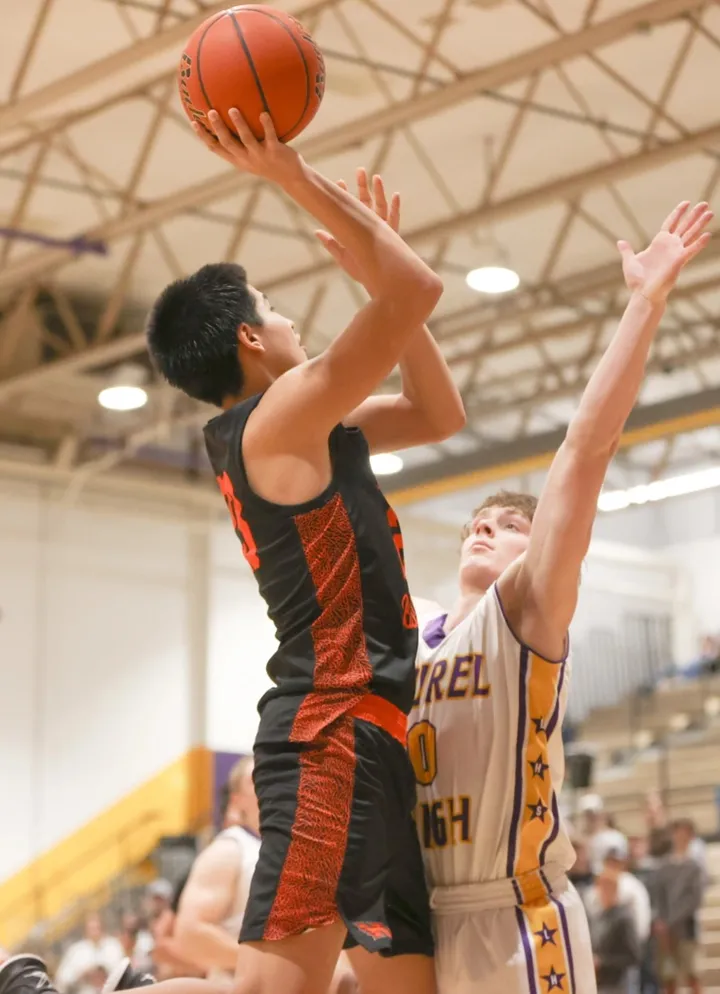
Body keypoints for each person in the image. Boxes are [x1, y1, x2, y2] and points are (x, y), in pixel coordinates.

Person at [0, 110, 464, 994]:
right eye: (276, 311)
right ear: (251, 338)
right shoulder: (277, 419)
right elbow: (414, 289)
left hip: (371, 734)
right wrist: (294, 176)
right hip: (328, 734)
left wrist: (384, 273)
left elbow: (439, 413)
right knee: (263, 992)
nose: (292, 323)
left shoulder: (307, 426)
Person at [408, 199, 713, 994]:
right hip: (425, 916)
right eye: (479, 522)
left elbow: (586, 447)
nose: (487, 528)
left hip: (518, 917)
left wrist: (643, 304)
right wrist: (389, 292)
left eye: (511, 525)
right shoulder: (415, 631)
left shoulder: (525, 611)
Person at [652, 819, 706, 994]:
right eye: (677, 832)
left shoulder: (695, 867)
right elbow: (659, 896)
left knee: (692, 976)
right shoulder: (664, 866)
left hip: (687, 929)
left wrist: (670, 921)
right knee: (669, 978)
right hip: (666, 933)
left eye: (685, 833)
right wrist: (661, 921)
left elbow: (694, 900)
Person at [587, 872, 641, 994]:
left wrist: (602, 962)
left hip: (619, 983)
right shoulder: (599, 916)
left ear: (615, 890)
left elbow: (633, 957)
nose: (602, 894)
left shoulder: (624, 918)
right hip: (601, 982)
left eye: (606, 889)